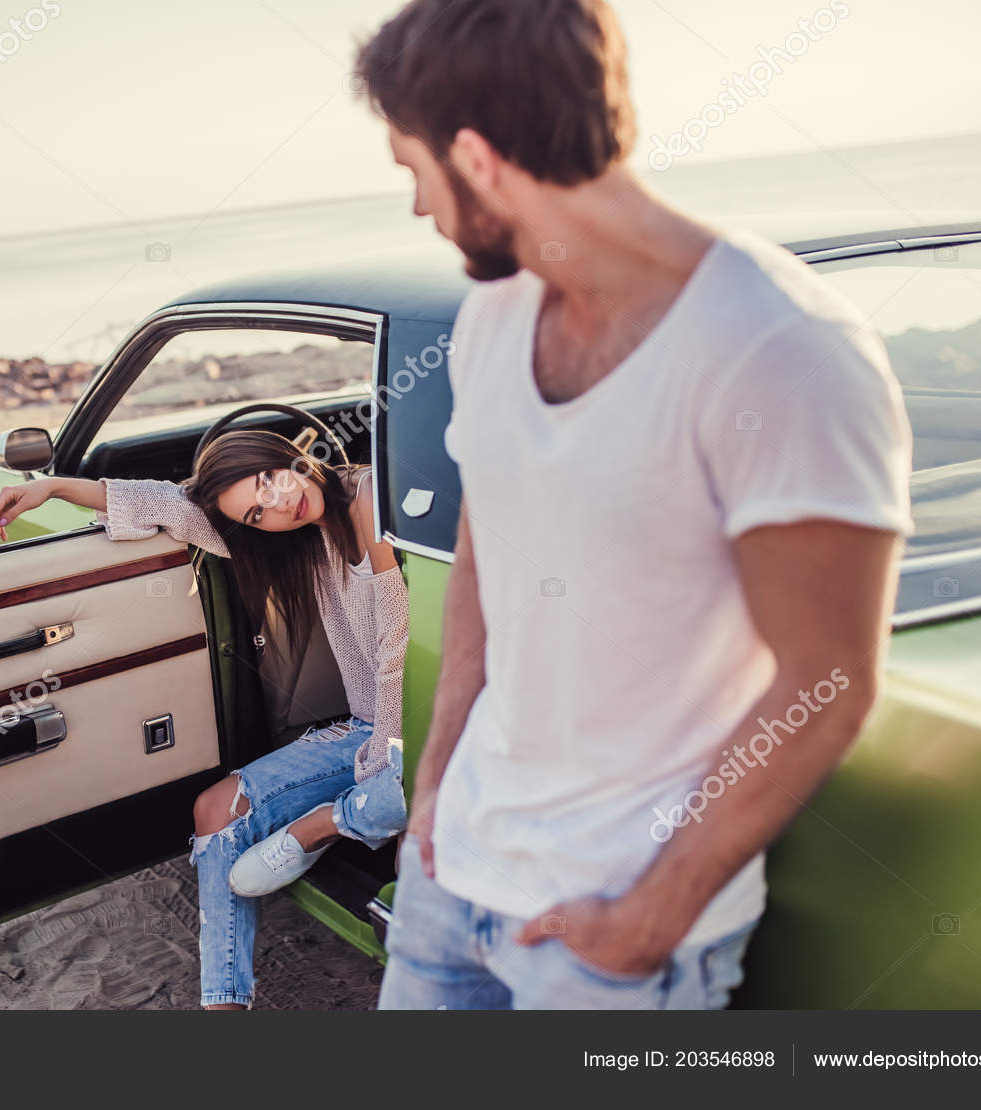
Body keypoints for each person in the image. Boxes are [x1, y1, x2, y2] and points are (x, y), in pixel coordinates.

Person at [354, 0, 912, 1009]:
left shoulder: (778, 345)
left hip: (608, 939)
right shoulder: (490, 319)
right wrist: (434, 785)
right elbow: (487, 557)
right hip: (453, 878)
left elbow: (828, 678)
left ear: (475, 159)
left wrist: (650, 916)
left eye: (413, 171)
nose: (416, 210)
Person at [0, 429, 409, 1009]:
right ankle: (223, 1003)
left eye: (269, 481)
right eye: (258, 515)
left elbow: (398, 651)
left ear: (285, 455)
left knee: (397, 795)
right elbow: (171, 507)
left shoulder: (367, 500)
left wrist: (385, 757)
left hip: (419, 728)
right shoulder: (303, 535)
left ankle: (321, 825)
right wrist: (57, 488)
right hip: (367, 728)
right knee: (214, 810)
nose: (281, 504)